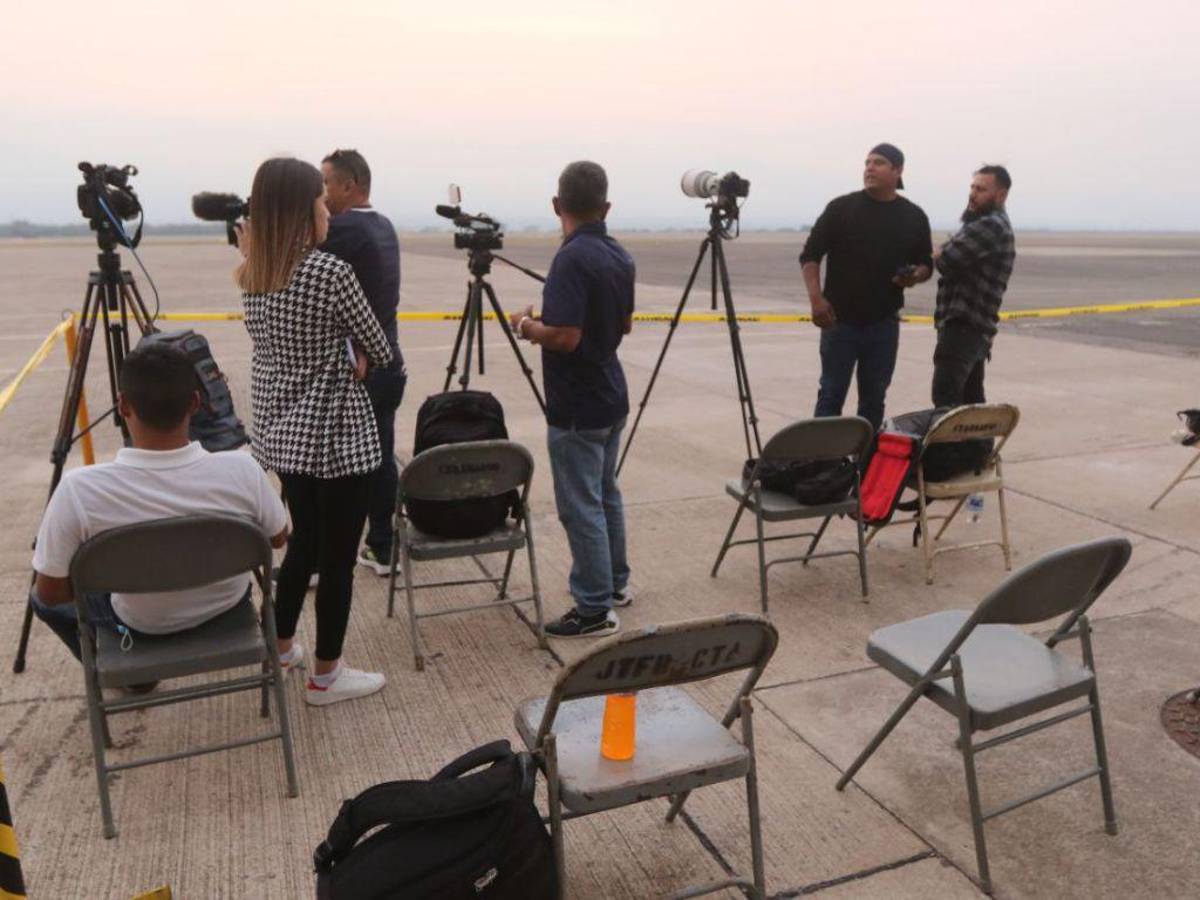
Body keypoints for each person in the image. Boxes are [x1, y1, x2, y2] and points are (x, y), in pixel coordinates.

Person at [30, 343, 289, 674]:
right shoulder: (244, 470)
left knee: (41, 597)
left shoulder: (79, 490)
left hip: (142, 622)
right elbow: (279, 538)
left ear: (122, 405)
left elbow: (50, 593)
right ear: (196, 402)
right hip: (226, 605)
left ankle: (130, 674)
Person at [237, 156, 393, 706]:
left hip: (285, 434)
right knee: (339, 560)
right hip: (335, 436)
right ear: (306, 210)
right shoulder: (329, 272)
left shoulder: (253, 274)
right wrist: (353, 357)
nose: (328, 209)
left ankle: (279, 645)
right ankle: (326, 674)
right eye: (322, 202)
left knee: (302, 543)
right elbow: (379, 346)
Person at [508, 161, 634, 639]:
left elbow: (563, 337)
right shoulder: (619, 255)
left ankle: (594, 607)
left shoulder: (570, 258)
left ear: (556, 205)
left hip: (578, 403)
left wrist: (526, 326)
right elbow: (619, 324)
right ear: (606, 207)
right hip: (610, 393)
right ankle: (614, 583)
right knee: (606, 495)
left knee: (580, 504)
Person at [799, 143, 934, 430]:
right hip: (839, 323)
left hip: (883, 325)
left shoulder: (913, 216)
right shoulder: (841, 208)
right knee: (830, 397)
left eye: (879, 162)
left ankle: (865, 466)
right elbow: (810, 256)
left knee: (873, 401)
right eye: (867, 162)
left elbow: (926, 264)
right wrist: (816, 300)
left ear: (897, 171)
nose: (870, 168)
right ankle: (822, 467)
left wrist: (915, 276)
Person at [319, 149, 407, 576]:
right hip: (389, 360)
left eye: (325, 185)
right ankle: (382, 544)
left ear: (349, 185)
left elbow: (293, 261)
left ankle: (318, 558)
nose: (321, 195)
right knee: (381, 456)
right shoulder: (382, 225)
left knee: (333, 467)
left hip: (362, 370)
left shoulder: (346, 229)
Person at [931, 165, 1015, 407]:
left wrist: (939, 251)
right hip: (975, 329)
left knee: (947, 399)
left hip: (964, 327)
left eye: (981, 189)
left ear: (1000, 195)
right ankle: (979, 445)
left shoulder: (992, 225)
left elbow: (948, 259)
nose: (973, 194)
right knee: (971, 402)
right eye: (972, 187)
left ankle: (956, 446)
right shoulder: (983, 223)